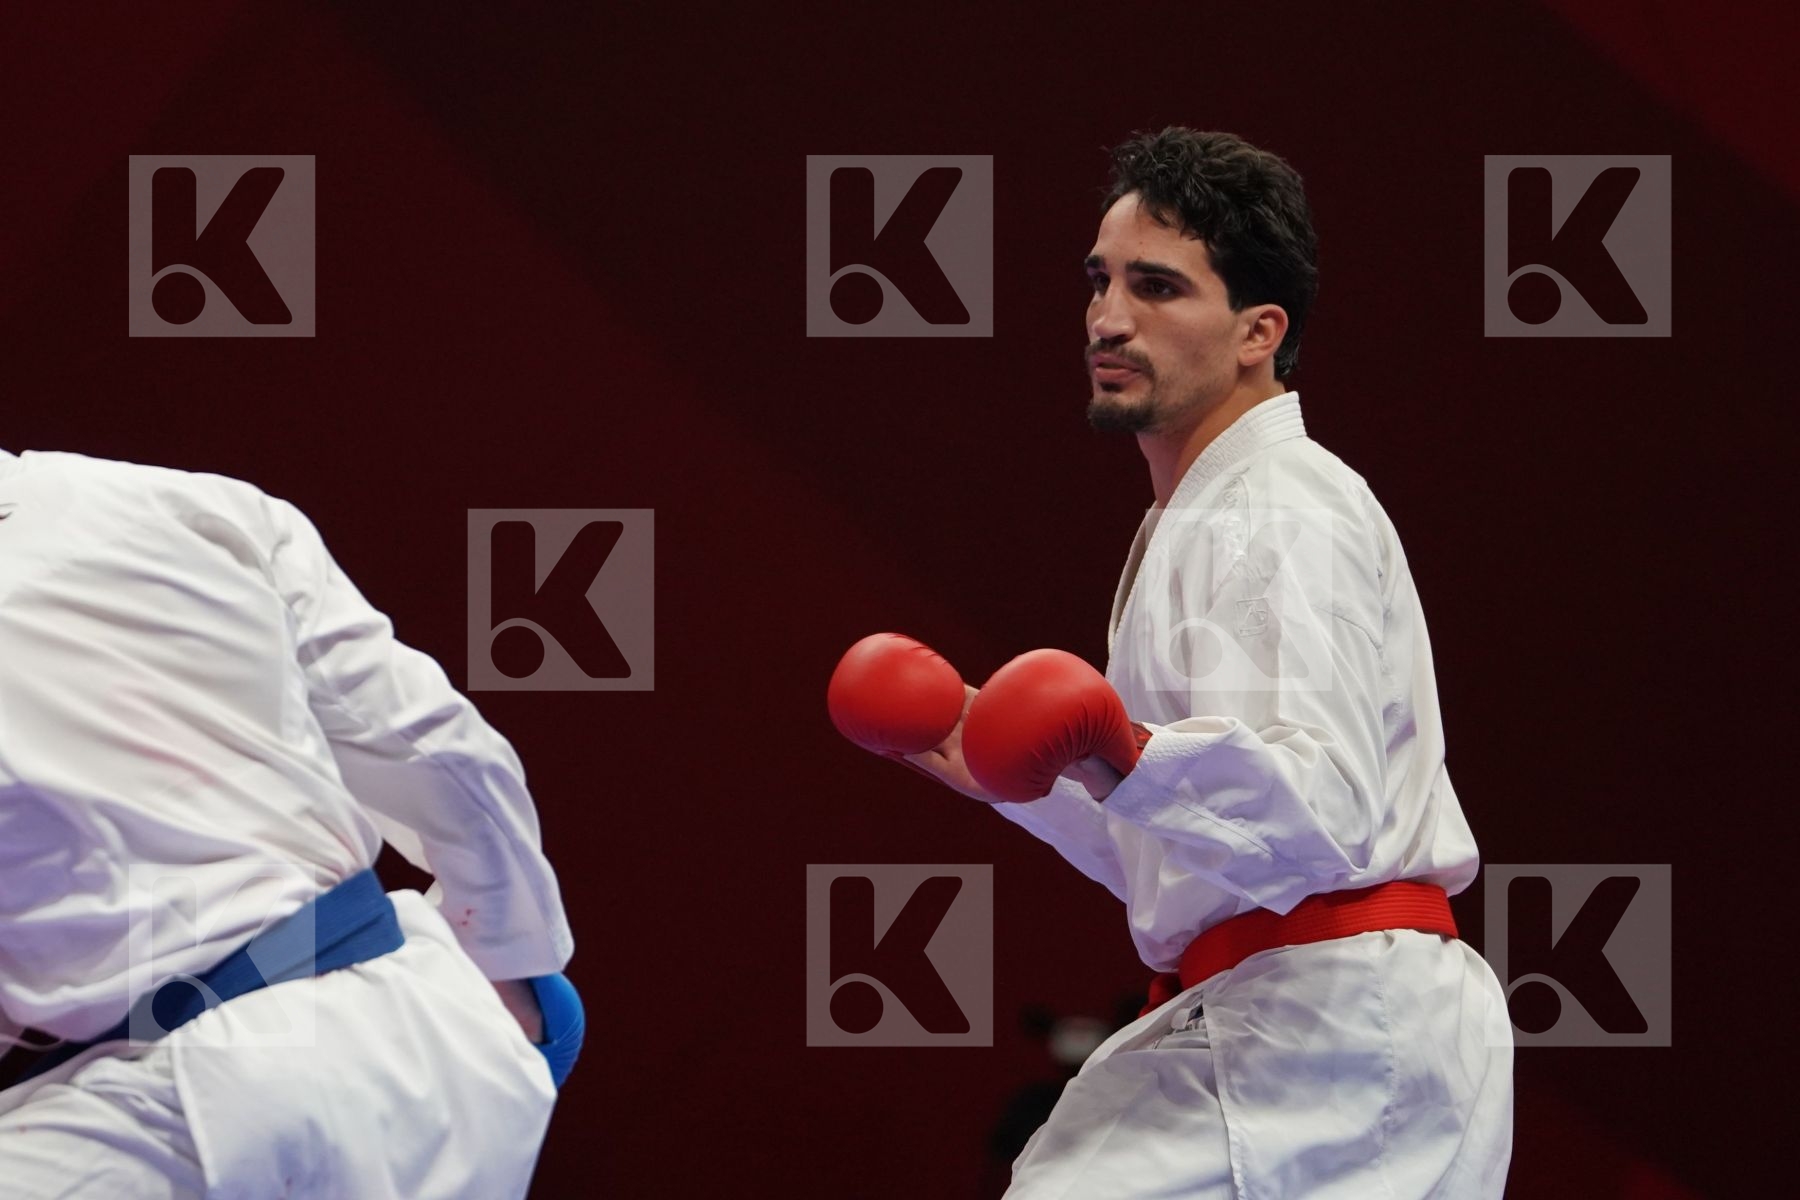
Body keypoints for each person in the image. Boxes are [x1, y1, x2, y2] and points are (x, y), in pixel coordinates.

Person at [852, 128, 1514, 1197]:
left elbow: (1326, 806)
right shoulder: (1189, 523)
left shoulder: (1282, 504)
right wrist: (991, 755)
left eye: (1157, 287)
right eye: (1100, 281)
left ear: (1260, 331)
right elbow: (1186, 852)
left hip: (1331, 1024)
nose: (1109, 318)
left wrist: (1122, 746)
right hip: (1299, 1015)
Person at [0, 446, 580, 1199]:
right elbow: (439, 750)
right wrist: (512, 971)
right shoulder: (184, 504)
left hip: (165, 1117)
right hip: (425, 1057)